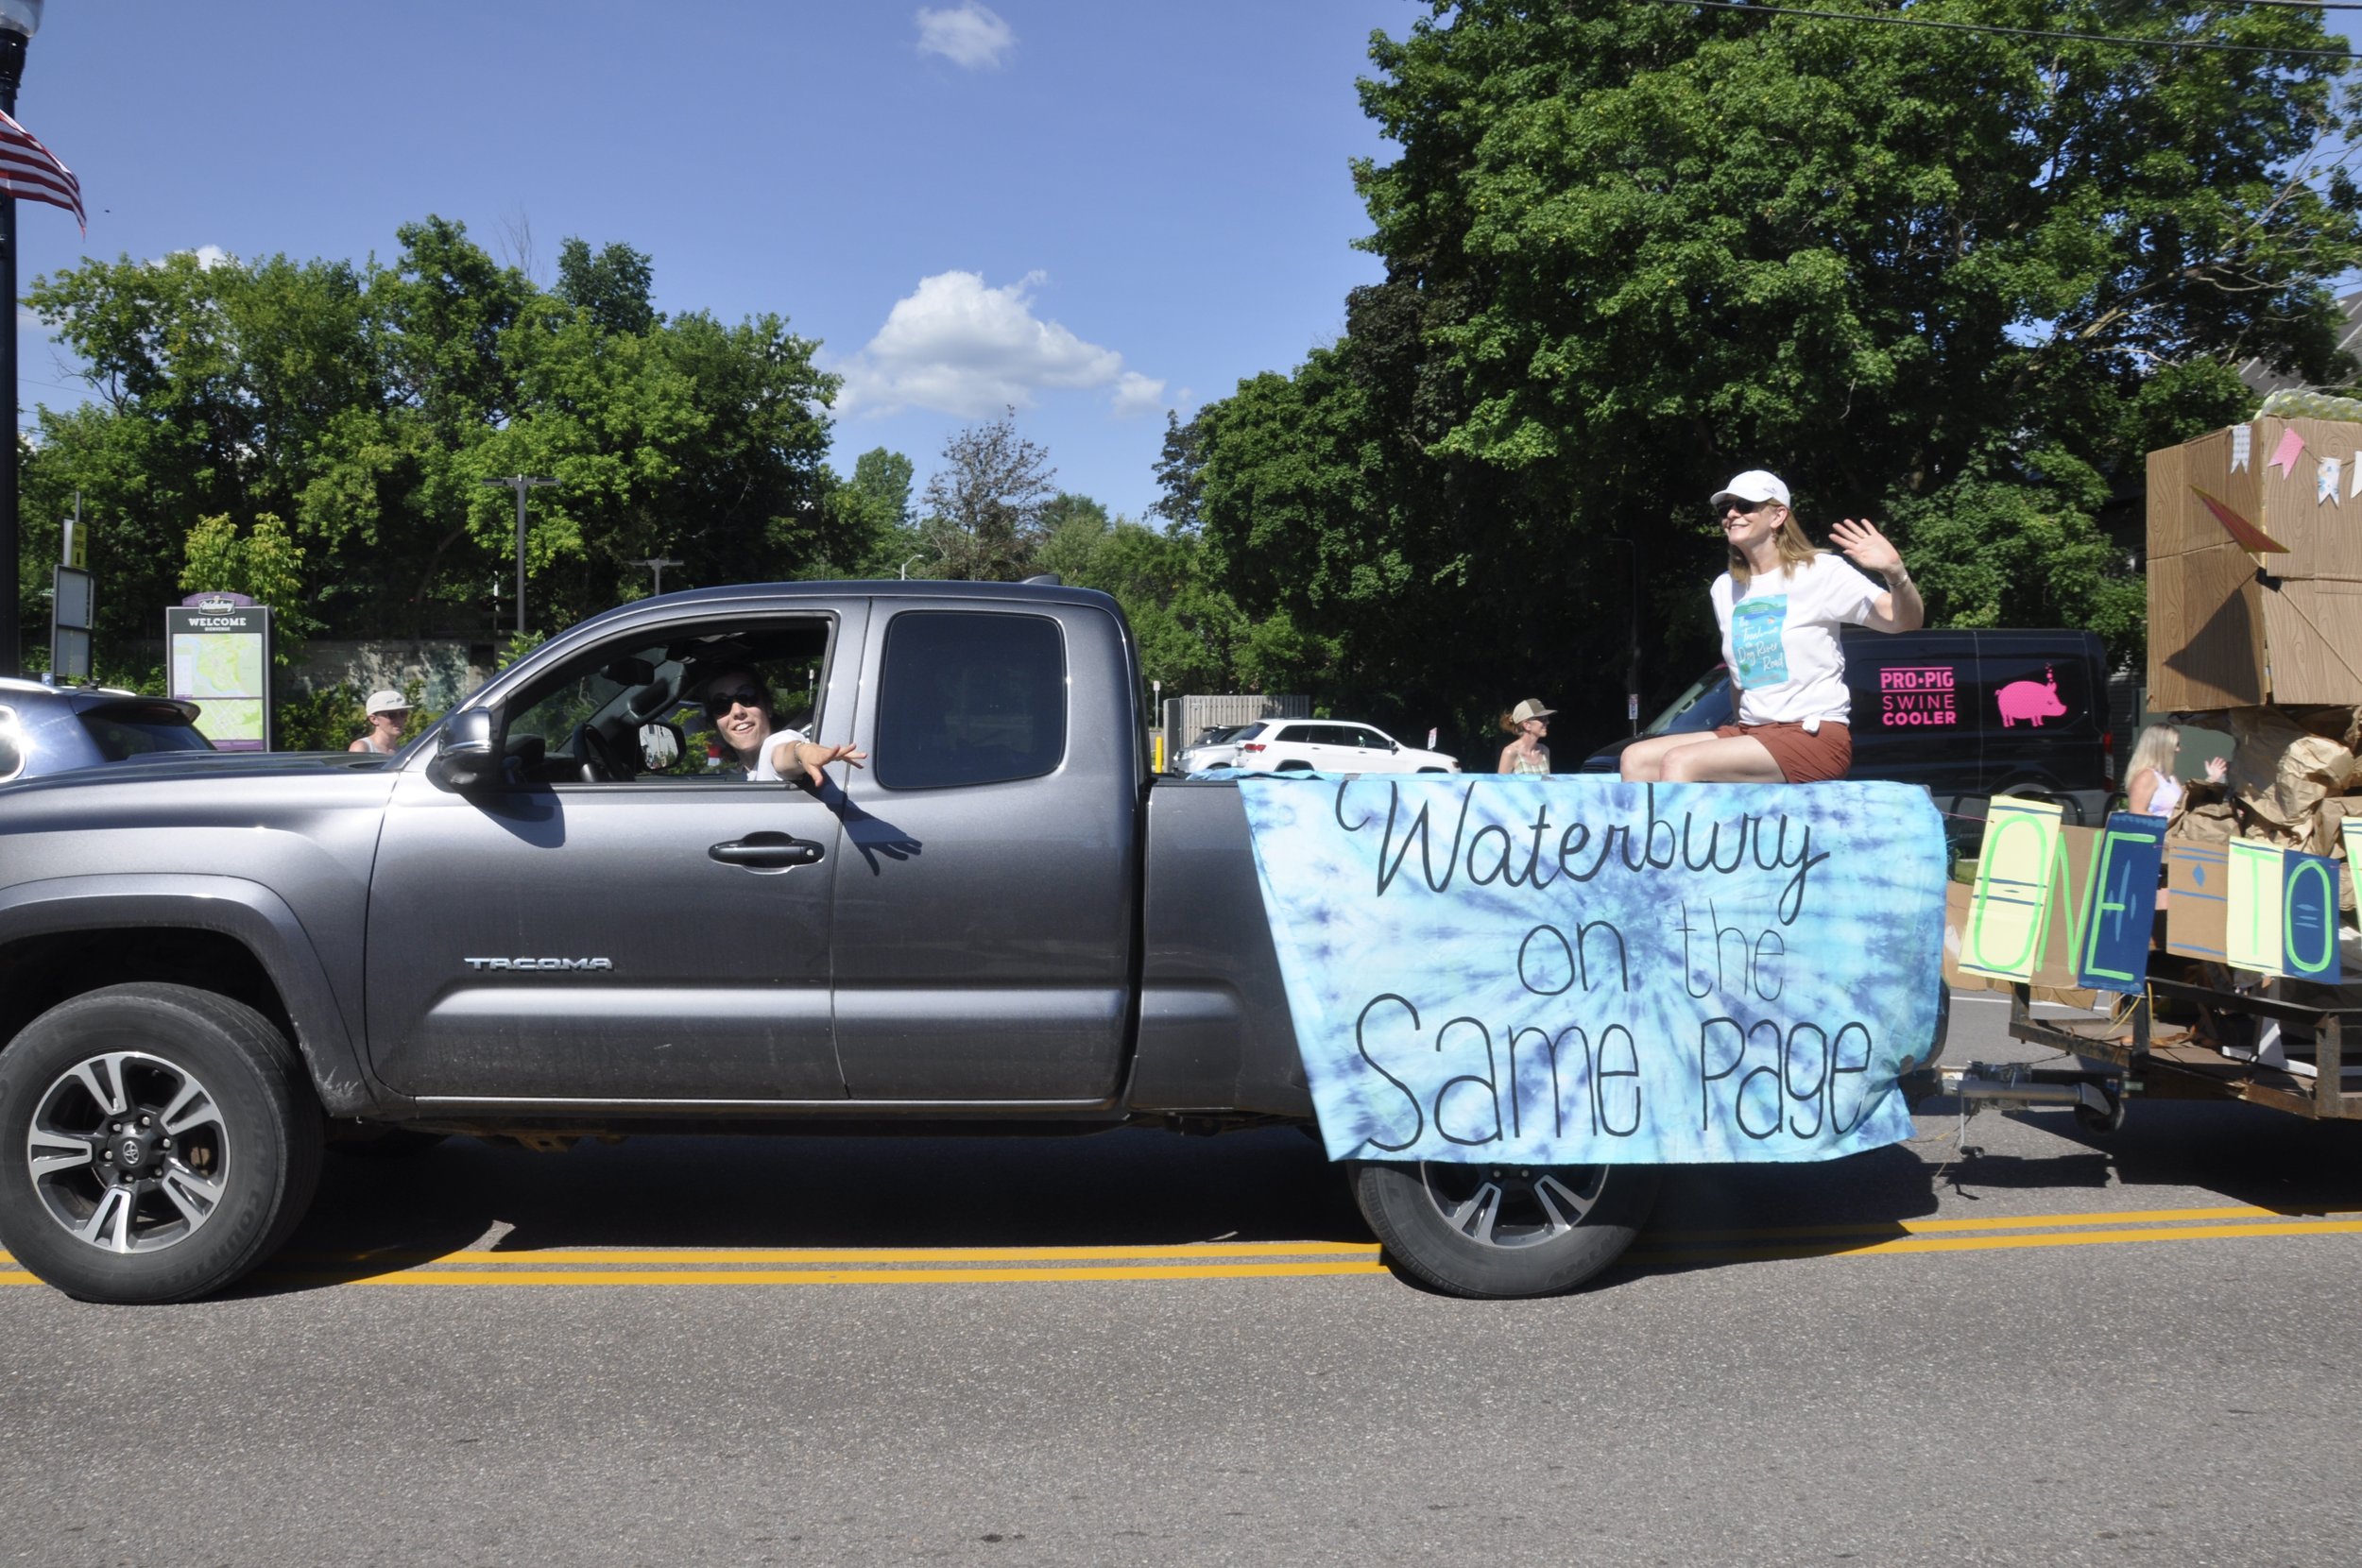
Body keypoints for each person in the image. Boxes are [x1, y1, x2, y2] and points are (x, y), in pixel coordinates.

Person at [1621, 469, 1923, 785]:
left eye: (1745, 506)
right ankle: (1653, 837)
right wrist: (1741, 731)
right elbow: (1740, 680)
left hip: (1813, 736)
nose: (1732, 514)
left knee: (1682, 762)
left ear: (1778, 515)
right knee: (1636, 758)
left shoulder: (1820, 572)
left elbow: (1904, 620)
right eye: (1726, 509)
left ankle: (1685, 836)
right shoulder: (1726, 588)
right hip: (1752, 733)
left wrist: (1896, 573)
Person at [699, 667, 866, 787]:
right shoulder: (738, 772)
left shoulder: (774, 746)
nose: (737, 711)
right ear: (715, 723)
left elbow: (786, 752)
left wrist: (806, 752)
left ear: (769, 707)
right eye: (721, 704)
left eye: (747, 696)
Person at [2125, 723, 2226, 818]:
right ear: (2162, 747)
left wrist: (2211, 779)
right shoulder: (2146, 776)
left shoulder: (2170, 777)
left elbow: (2185, 805)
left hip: (2173, 833)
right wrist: (2165, 822)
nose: (2178, 749)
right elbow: (2136, 814)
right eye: (2176, 744)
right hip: (2158, 834)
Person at [1498, 698, 1554, 775]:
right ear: (1527, 725)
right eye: (1542, 719)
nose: (1547, 722)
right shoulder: (1510, 752)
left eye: (1546, 718)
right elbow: (1501, 785)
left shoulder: (1544, 751)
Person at [349, 689, 412, 754]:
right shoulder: (363, 748)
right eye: (392, 715)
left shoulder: (404, 752)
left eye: (403, 714)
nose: (399, 720)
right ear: (374, 719)